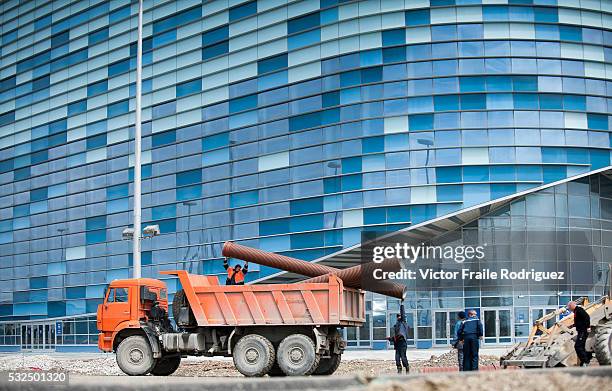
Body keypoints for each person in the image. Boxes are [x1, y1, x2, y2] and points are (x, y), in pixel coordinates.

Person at [387, 303, 410, 374]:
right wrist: (389, 338)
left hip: (403, 343)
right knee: (397, 358)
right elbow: (395, 337)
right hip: (397, 344)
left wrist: (402, 305)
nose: (399, 317)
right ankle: (399, 369)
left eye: (400, 316)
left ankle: (407, 368)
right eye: (398, 316)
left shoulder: (403, 323)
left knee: (403, 357)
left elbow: (403, 313)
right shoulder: (396, 325)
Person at [567, 301, 591, 366]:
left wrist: (588, 327)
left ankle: (586, 361)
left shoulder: (579, 310)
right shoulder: (575, 311)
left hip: (583, 331)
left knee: (578, 346)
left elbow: (587, 317)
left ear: (572, 305)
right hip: (580, 331)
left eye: (569, 306)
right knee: (582, 347)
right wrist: (572, 325)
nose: (568, 308)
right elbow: (579, 321)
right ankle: (584, 362)